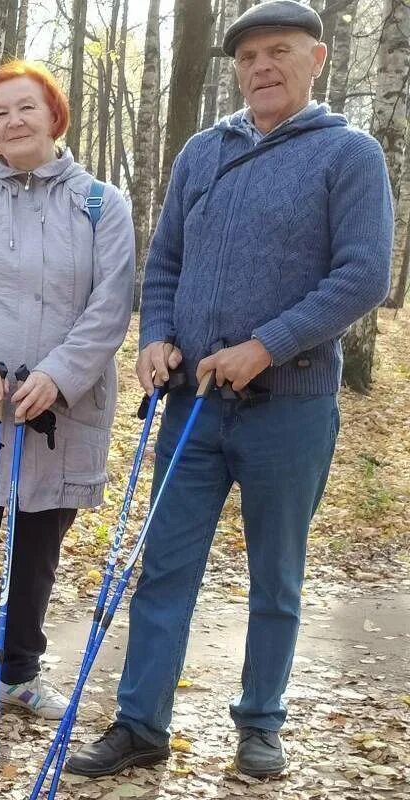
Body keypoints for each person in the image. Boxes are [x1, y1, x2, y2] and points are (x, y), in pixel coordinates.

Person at [65, 1, 393, 780]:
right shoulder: (201, 152)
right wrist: (155, 336)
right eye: (247, 58)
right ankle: (141, 723)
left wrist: (265, 346)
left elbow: (364, 276)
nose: (261, 68)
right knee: (164, 569)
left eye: (278, 52)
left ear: (317, 60)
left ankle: (260, 724)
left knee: (276, 576)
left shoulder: (349, 154)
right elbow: (166, 260)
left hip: (293, 405)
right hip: (192, 408)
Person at [0, 60, 134, 757]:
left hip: (59, 415)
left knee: (37, 556)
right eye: (1, 113)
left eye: (26, 108)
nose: (13, 121)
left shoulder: (102, 203)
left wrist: (61, 375)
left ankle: (18, 674)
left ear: (54, 114)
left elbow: (111, 304)